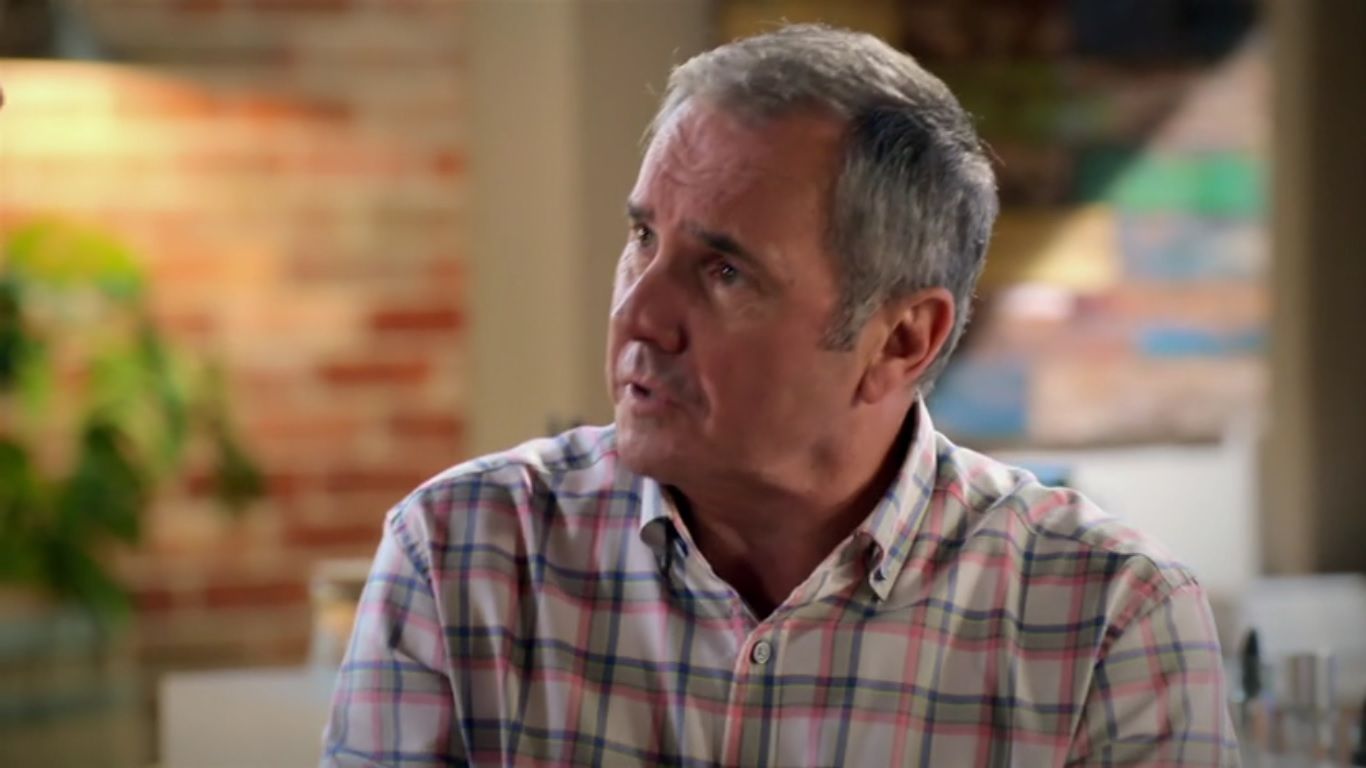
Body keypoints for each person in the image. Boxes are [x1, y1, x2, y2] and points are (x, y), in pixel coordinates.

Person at [323, 24, 1236, 767]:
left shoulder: (1107, 622)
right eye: (642, 239)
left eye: (724, 270)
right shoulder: (463, 558)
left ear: (901, 339)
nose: (638, 314)